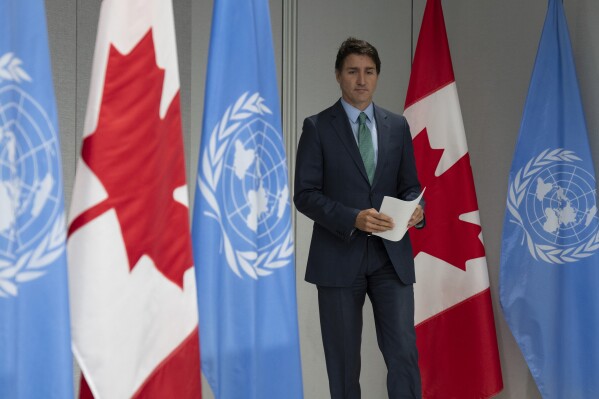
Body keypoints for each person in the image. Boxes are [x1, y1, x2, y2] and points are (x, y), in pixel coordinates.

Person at [294, 37, 424, 399]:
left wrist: (416, 211)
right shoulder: (317, 127)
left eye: (369, 72)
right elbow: (304, 195)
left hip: (390, 260)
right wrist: (353, 218)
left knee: (403, 355)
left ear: (378, 76)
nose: (361, 80)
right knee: (344, 364)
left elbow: (410, 186)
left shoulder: (397, 127)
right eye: (353, 71)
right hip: (337, 259)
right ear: (338, 75)